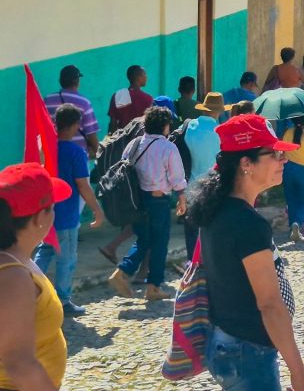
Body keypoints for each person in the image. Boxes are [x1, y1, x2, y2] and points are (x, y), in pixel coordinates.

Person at [186, 114, 304, 391]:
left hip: (226, 342)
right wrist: (299, 374)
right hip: (247, 352)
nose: (283, 160)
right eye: (274, 154)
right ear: (246, 163)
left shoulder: (217, 209)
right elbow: (269, 304)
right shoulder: (247, 224)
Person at [0, 162, 73, 390]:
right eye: (52, 207)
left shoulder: (16, 258)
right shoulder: (11, 275)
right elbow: (19, 364)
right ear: (39, 218)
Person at [32, 104, 104, 317]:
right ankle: (63, 300)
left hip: (46, 212)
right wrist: (97, 210)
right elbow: (83, 185)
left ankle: (30, 291)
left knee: (45, 251)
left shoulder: (46, 148)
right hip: (66, 214)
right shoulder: (76, 152)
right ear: (75, 125)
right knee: (67, 259)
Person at [108, 105, 186, 301]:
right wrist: (182, 198)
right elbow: (177, 177)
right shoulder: (168, 147)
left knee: (144, 239)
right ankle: (152, 286)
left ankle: (123, 272)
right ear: (165, 125)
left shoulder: (134, 144)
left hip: (137, 201)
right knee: (159, 243)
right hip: (158, 200)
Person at [181, 92, 225, 257]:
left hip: (190, 185)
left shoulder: (189, 126)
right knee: (211, 229)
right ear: (219, 111)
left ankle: (191, 262)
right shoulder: (220, 132)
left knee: (191, 229)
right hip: (213, 187)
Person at [44, 64, 100, 157]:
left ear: (60, 81)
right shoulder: (84, 102)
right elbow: (91, 133)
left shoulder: (47, 100)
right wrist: (98, 153)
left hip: (53, 154)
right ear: (76, 81)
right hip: (78, 155)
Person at [282, 116, 304, 242]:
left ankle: (292, 227)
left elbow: (282, 150)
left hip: (287, 169)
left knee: (291, 200)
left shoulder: (286, 132)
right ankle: (297, 222)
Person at [107, 64, 153, 132]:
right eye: (145, 75)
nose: (146, 77)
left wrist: (110, 137)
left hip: (121, 137)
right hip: (140, 137)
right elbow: (149, 124)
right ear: (139, 77)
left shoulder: (118, 95)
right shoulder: (148, 99)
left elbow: (112, 123)